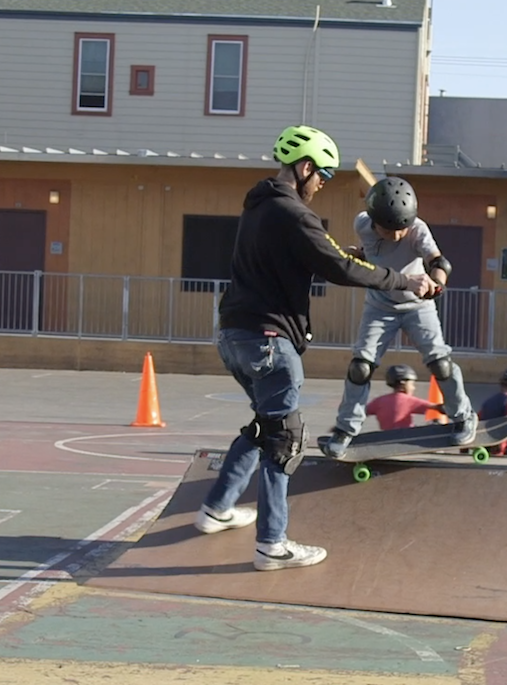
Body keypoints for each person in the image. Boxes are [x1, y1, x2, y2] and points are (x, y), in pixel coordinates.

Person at [193, 125, 438, 572]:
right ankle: (273, 545)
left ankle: (217, 508)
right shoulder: (293, 213)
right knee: (284, 441)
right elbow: (341, 269)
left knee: (267, 425)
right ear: (304, 167)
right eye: (322, 173)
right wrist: (407, 280)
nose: (323, 182)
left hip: (234, 336)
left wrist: (335, 254)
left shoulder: (259, 206)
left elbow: (320, 257)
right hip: (270, 342)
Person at [323, 176, 477, 459]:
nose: (396, 235)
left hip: (418, 306)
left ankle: (463, 416)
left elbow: (439, 262)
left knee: (440, 364)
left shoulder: (418, 230)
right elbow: (373, 255)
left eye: (401, 229)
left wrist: (437, 283)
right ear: (373, 219)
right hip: (379, 306)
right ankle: (346, 429)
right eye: (388, 229)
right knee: (361, 367)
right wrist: (357, 254)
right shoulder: (362, 224)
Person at [364, 364, 442, 431]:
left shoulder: (379, 401)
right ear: (402, 384)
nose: (413, 388)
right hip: (406, 436)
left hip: (385, 436)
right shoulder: (407, 400)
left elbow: (363, 411)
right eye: (412, 384)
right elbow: (436, 407)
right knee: (435, 424)